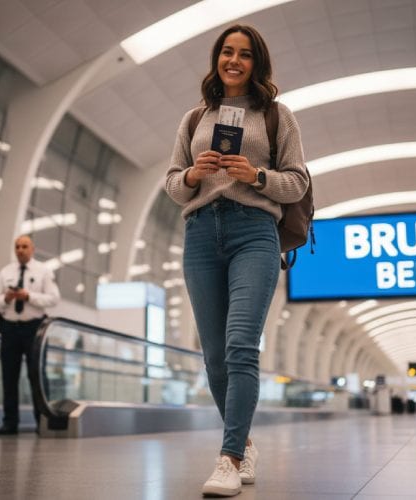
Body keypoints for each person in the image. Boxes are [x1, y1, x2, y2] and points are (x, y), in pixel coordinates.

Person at [164, 24, 309, 497]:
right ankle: (244, 442)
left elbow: (298, 182)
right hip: (201, 233)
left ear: (256, 63)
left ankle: (227, 459)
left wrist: (258, 175)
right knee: (214, 357)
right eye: (227, 52)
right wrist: (191, 173)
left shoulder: (276, 116)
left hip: (254, 232)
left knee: (240, 344)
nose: (234, 60)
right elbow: (170, 183)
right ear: (217, 59)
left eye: (244, 54)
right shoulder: (193, 118)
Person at [0, 235, 60, 435]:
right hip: (9, 329)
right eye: (17, 247)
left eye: (24, 246)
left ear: (32, 249)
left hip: (34, 330)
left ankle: (42, 422)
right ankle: (10, 422)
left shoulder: (43, 271)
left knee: (35, 375)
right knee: (8, 377)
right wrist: (7, 297)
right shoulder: (6, 272)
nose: (20, 250)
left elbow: (54, 298)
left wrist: (29, 296)